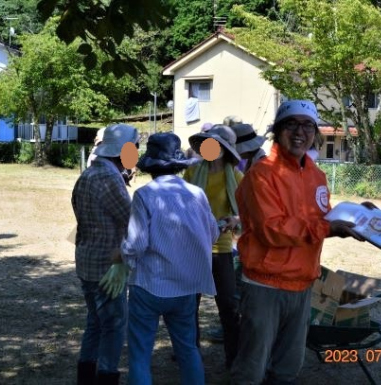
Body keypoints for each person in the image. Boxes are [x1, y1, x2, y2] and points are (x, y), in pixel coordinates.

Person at [231, 100, 360, 384]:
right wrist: (326, 228)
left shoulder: (316, 174)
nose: (300, 131)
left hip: (302, 284)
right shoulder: (262, 175)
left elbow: (323, 217)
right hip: (265, 284)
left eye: (307, 125)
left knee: (288, 368)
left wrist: (359, 214)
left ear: (316, 132)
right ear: (278, 130)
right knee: (251, 369)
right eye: (291, 124)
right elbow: (272, 229)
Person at [120, 132, 219, 385]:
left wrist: (120, 257)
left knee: (140, 354)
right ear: (177, 166)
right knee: (188, 349)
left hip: (148, 285)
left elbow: (136, 244)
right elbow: (213, 234)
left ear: (151, 166)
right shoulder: (197, 194)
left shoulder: (144, 195)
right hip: (185, 287)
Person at [71, 123, 139, 385]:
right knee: (113, 325)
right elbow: (130, 217)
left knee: (95, 323)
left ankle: (86, 375)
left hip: (86, 259)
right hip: (107, 265)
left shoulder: (88, 174)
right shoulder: (110, 178)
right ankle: (106, 377)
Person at [184, 124, 243, 370]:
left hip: (222, 249)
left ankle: (234, 357)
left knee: (229, 306)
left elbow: (247, 214)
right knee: (189, 306)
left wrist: (236, 220)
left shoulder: (238, 178)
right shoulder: (191, 173)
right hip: (194, 248)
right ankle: (189, 354)